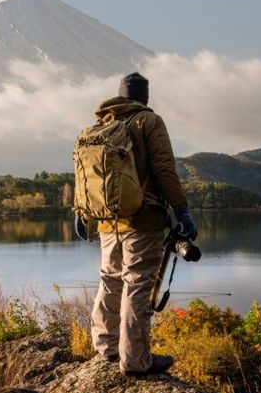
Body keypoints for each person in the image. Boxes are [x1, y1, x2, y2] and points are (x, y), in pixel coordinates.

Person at [75, 72, 198, 376]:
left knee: (110, 280)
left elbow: (84, 177)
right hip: (143, 220)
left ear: (119, 95)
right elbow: (165, 170)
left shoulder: (102, 124)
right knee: (137, 286)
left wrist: (81, 212)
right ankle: (136, 360)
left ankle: (105, 347)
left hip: (107, 221)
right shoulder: (148, 122)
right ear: (144, 97)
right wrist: (181, 210)